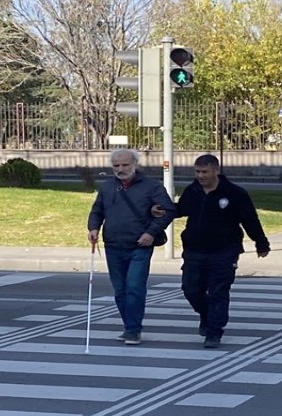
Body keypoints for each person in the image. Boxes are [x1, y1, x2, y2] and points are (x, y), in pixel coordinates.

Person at [168, 154, 270, 349]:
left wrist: (261, 243)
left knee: (218, 292)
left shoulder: (234, 193)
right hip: (194, 250)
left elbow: (250, 219)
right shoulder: (193, 190)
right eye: (197, 171)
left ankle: (214, 331)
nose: (200, 176)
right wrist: (163, 210)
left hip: (224, 250)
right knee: (191, 289)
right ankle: (206, 316)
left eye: (204, 172)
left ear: (216, 170)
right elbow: (182, 209)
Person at [87, 148, 176, 345]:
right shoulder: (107, 187)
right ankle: (129, 326)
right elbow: (97, 210)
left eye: (125, 165)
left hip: (139, 246)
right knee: (120, 290)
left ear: (135, 164)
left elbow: (169, 210)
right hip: (113, 245)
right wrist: (93, 228)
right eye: (116, 165)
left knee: (135, 287)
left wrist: (150, 233)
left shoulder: (152, 187)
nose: (120, 169)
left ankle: (133, 329)